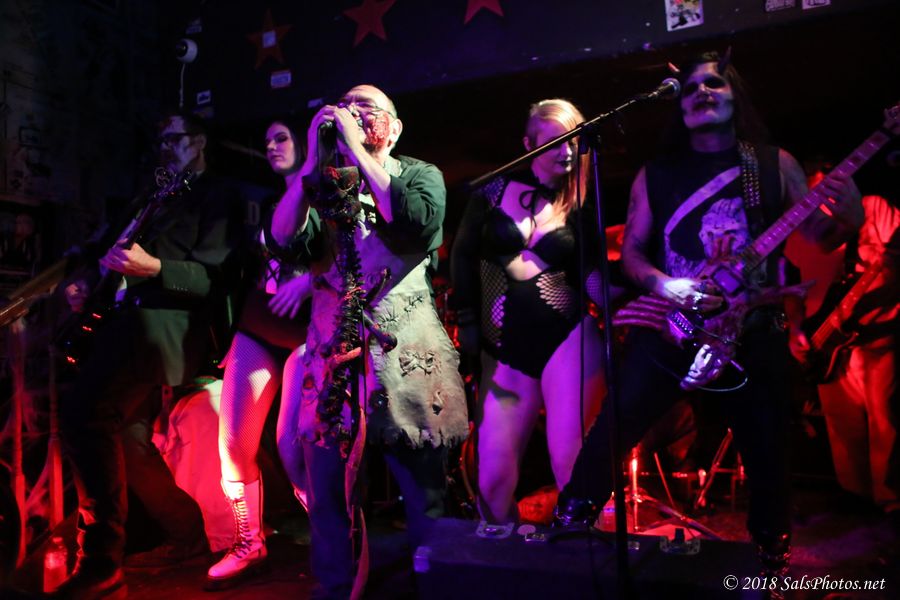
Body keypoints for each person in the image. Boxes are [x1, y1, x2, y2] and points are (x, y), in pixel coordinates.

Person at [555, 51, 863, 580]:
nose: (702, 91)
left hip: (754, 327)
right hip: (673, 324)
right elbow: (632, 254)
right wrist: (665, 284)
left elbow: (823, 236)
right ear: (679, 105)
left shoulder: (773, 163)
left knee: (766, 446)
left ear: (734, 95)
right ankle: (570, 527)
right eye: (693, 86)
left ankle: (770, 562)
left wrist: (850, 212)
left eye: (715, 83)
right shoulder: (656, 174)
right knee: (616, 423)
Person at [270, 84, 468, 599]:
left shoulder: (419, 174)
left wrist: (360, 150)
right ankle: (336, 586)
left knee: (422, 491)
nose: (353, 113)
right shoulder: (323, 183)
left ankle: (434, 586)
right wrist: (310, 165)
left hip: (406, 355)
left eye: (367, 107)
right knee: (328, 490)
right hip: (333, 357)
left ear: (395, 127)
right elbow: (284, 239)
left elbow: (416, 222)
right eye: (347, 106)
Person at [54, 110, 239, 598]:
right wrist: (86, 284)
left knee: (83, 415)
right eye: (161, 141)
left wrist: (154, 267)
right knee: (126, 437)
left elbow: (213, 278)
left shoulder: (218, 195)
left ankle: (100, 563)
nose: (165, 148)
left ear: (199, 141)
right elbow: (105, 251)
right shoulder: (152, 194)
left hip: (159, 332)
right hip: (118, 325)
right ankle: (186, 532)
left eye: (174, 139)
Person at [450, 99, 606, 523]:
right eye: (555, 142)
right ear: (529, 144)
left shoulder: (583, 200)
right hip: (503, 347)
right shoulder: (492, 190)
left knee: (571, 467)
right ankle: (508, 558)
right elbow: (461, 256)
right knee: (492, 480)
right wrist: (466, 321)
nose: (566, 151)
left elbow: (591, 273)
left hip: (567, 338)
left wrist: (624, 297)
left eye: (573, 141)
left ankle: (582, 556)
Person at [205, 119, 312, 589]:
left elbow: (359, 264)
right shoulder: (269, 204)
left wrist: (311, 281)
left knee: (295, 449)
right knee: (232, 444)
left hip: (311, 333)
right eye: (266, 140)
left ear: (307, 141)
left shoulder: (334, 196)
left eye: (281, 137)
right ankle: (249, 543)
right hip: (258, 326)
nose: (270, 146)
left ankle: (335, 535)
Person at [792, 188, 900, 521]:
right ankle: (855, 496)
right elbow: (792, 282)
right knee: (842, 421)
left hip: (879, 332)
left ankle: (890, 501)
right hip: (826, 338)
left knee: (886, 420)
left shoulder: (872, 208)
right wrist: (795, 328)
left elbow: (893, 260)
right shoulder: (796, 221)